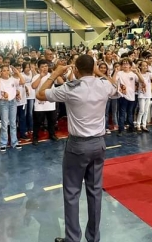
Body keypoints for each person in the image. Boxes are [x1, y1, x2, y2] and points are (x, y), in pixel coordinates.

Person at [36, 55, 117, 242]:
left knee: (72, 192)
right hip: (99, 144)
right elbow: (115, 86)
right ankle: (93, 238)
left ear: (77, 70)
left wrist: (55, 73)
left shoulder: (71, 88)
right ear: (94, 68)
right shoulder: (104, 85)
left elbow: (41, 94)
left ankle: (72, 239)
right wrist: (99, 73)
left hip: (78, 146)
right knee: (95, 192)